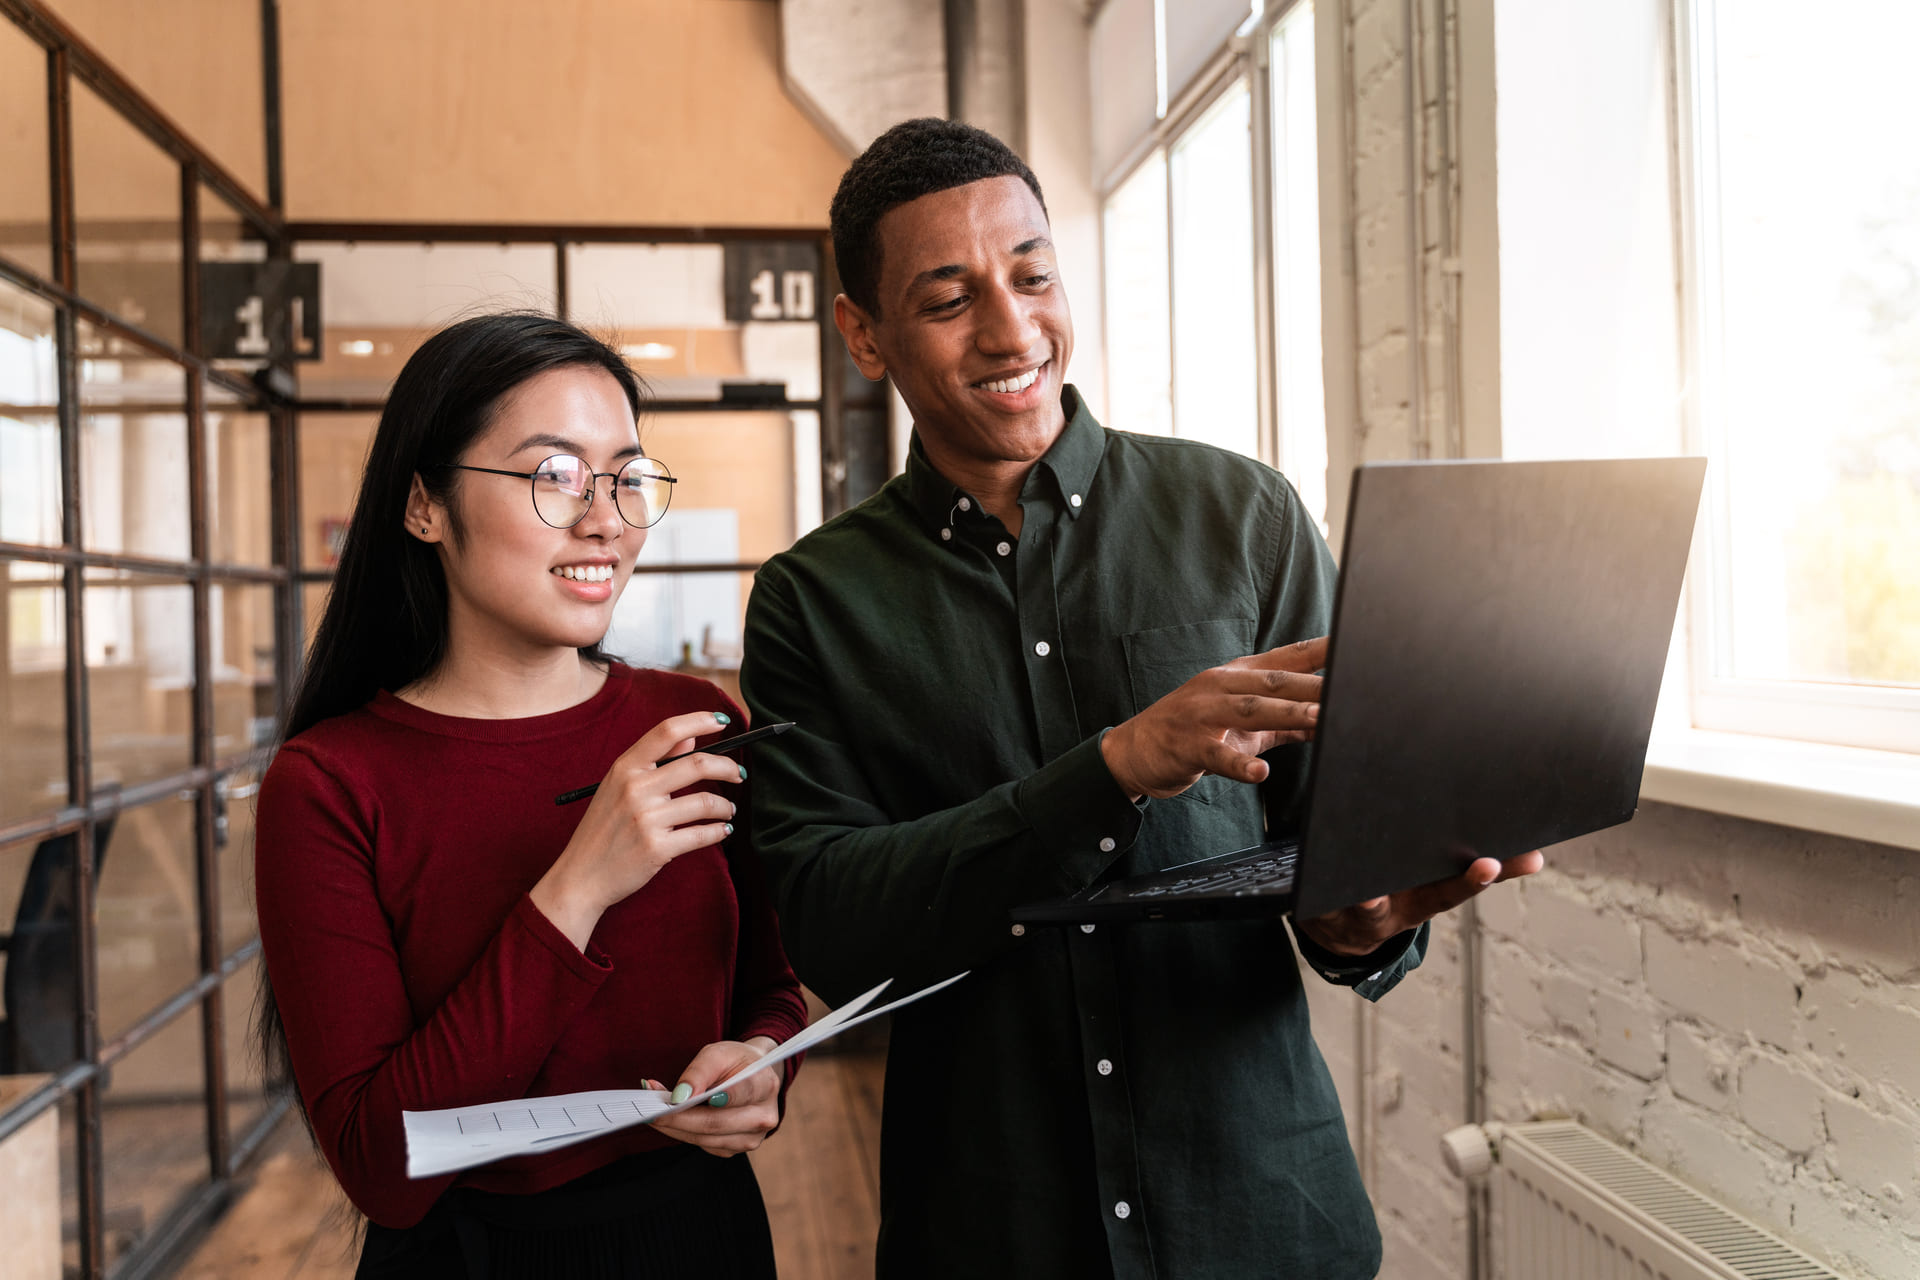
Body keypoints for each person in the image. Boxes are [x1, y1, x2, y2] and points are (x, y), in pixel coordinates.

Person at [739, 119, 1543, 1279]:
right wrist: (1113, 766)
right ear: (864, 332)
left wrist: (1364, 921)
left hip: (1263, 1224)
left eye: (1033, 276)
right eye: (950, 299)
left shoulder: (1247, 517)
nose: (1012, 330)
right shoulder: (812, 602)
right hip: (995, 1235)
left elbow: (1335, 847)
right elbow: (834, 928)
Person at [255, 312, 808, 1279]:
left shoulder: (693, 721)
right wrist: (580, 885)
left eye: (626, 478)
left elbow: (770, 989)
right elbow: (383, 1166)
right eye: (554, 475)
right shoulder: (329, 784)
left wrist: (765, 1062)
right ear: (424, 505)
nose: (606, 520)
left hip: (704, 1233)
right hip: (469, 1257)